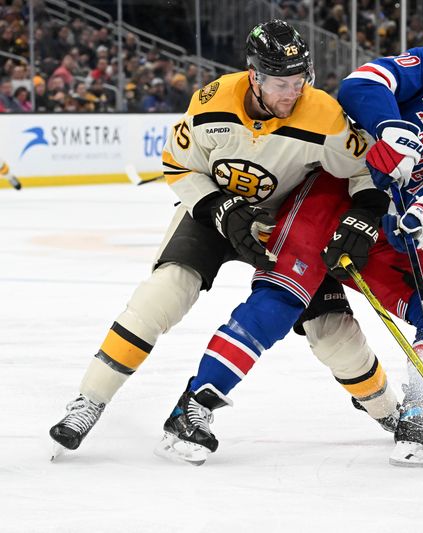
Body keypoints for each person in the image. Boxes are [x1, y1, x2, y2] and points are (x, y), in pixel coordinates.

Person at [154, 27, 423, 468]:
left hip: (381, 225)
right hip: (328, 197)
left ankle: (420, 414)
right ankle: (193, 407)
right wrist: (390, 129)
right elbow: (360, 85)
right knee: (281, 299)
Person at [49, 20, 397, 458]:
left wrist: (365, 213)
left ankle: (388, 411)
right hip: (213, 211)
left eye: (299, 80)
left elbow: (365, 168)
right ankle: (88, 401)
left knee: (333, 330)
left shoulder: (323, 115)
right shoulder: (211, 104)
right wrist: (218, 208)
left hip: (286, 224)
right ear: (255, 76)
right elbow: (177, 165)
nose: (293, 93)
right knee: (164, 292)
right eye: (281, 83)